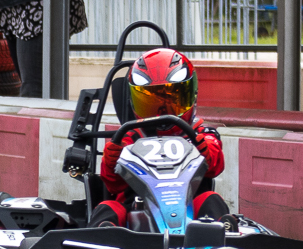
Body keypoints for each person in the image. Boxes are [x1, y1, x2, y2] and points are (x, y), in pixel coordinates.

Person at [92, 48, 229, 226]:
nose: (162, 111)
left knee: (211, 199)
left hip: (190, 214)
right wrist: (111, 163)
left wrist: (206, 153)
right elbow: (113, 185)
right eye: (151, 102)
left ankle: (221, 233)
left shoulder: (200, 134)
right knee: (108, 207)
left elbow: (216, 164)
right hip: (135, 211)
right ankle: (103, 237)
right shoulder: (128, 138)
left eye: (170, 101)